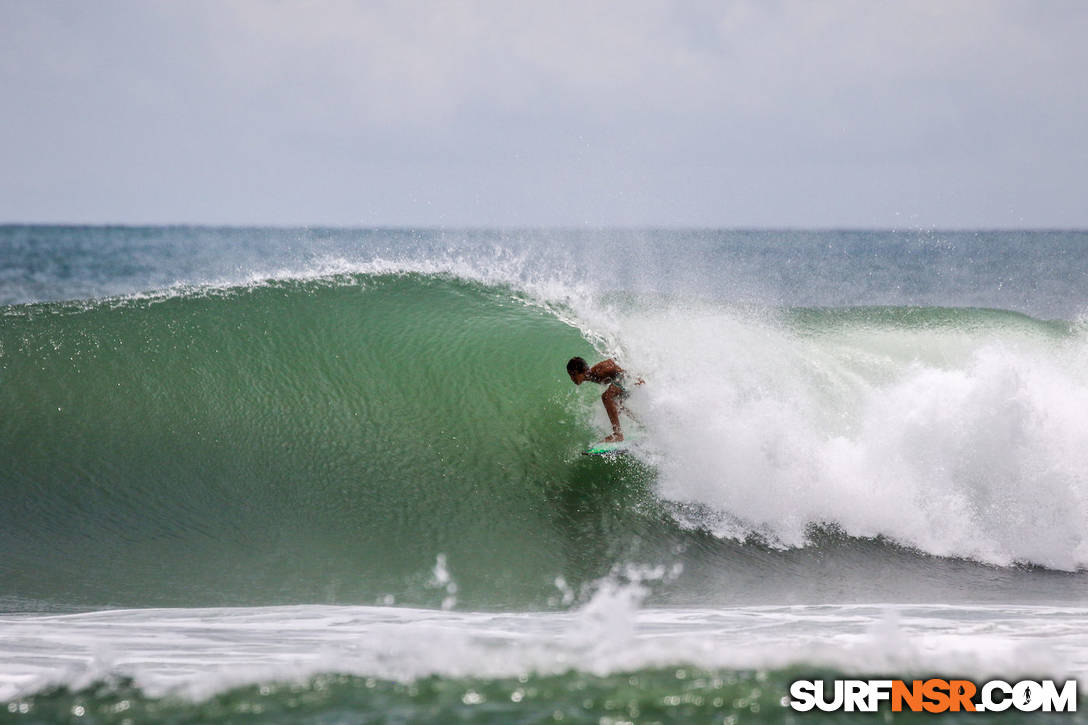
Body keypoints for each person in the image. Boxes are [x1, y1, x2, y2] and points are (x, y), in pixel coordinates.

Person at [566, 357, 642, 442]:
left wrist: (637, 379)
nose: (572, 379)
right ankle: (640, 423)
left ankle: (618, 435)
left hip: (629, 378)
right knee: (616, 406)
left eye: (573, 374)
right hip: (627, 380)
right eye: (570, 375)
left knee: (606, 397)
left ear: (583, 370)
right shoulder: (590, 376)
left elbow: (616, 363)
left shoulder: (598, 371)